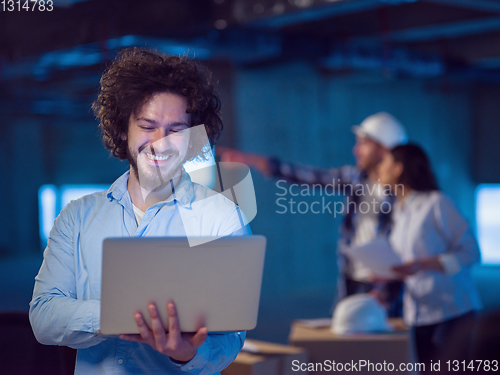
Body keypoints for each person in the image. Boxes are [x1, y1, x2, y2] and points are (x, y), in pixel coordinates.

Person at [29, 47, 251, 375]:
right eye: (148, 126)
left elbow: (231, 335)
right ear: (123, 130)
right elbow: (44, 318)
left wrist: (187, 354)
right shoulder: (77, 218)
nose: (161, 142)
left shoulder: (220, 217)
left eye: (176, 130)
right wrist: (122, 315)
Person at [218, 112, 407, 313]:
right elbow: (306, 176)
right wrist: (249, 160)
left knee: (384, 342)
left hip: (383, 287)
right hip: (352, 280)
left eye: (364, 144)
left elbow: (407, 250)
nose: (356, 150)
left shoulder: (403, 192)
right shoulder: (354, 178)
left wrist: (387, 292)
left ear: (384, 149)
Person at [377, 143, 482, 372]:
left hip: (452, 311)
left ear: (398, 168)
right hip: (417, 314)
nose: (379, 169)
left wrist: (423, 265)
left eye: (384, 162)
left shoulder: (437, 203)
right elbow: (405, 262)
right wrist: (383, 275)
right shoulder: (398, 210)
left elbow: (471, 252)